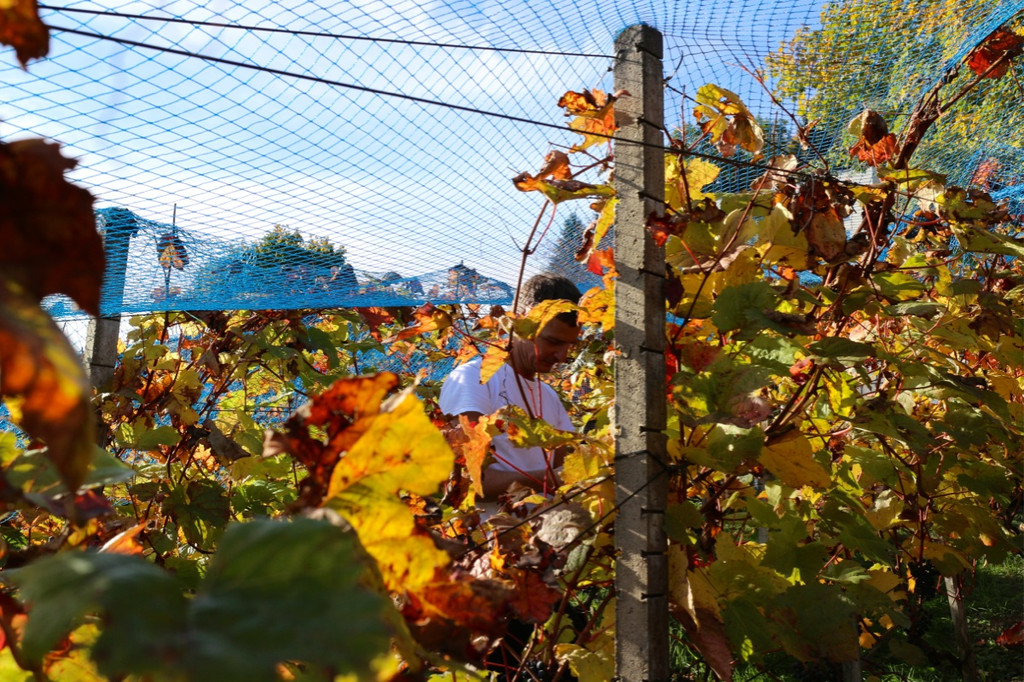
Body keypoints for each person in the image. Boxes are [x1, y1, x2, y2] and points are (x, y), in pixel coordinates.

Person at [439, 274, 582, 500]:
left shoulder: (549, 396)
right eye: (553, 342)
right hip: (492, 523)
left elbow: (560, 468)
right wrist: (552, 480)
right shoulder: (473, 380)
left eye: (569, 345)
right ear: (521, 324)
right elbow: (463, 480)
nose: (562, 356)